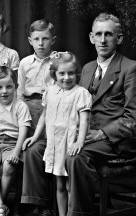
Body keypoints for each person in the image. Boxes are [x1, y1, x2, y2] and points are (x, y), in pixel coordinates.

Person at [65, 13, 136, 216]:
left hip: (116, 141)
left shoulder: (132, 69)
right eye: (98, 34)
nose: (103, 40)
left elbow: (134, 121)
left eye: (108, 34)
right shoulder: (87, 68)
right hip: (88, 135)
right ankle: (43, 207)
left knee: (77, 156)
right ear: (91, 37)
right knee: (42, 147)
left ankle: (77, 214)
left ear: (118, 38)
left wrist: (100, 133)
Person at [23, 52, 92, 216]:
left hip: (69, 145)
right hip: (54, 146)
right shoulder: (50, 91)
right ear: (54, 74)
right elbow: (44, 117)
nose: (67, 77)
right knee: (59, 186)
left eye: (71, 73)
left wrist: (79, 142)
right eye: (62, 73)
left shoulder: (81, 93)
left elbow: (85, 121)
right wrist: (35, 136)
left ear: (76, 73)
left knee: (69, 186)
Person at [0, 66, 31, 216]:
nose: (4, 91)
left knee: (9, 166)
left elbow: (24, 130)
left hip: (13, 143)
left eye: (9, 86)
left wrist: (17, 152)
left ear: (16, 87)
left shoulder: (21, 106)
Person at [17, 19, 56, 136]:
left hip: (52, 106)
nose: (40, 43)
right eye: (36, 39)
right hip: (29, 107)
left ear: (53, 40)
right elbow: (20, 91)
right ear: (30, 41)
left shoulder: (59, 60)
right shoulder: (25, 63)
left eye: (45, 39)